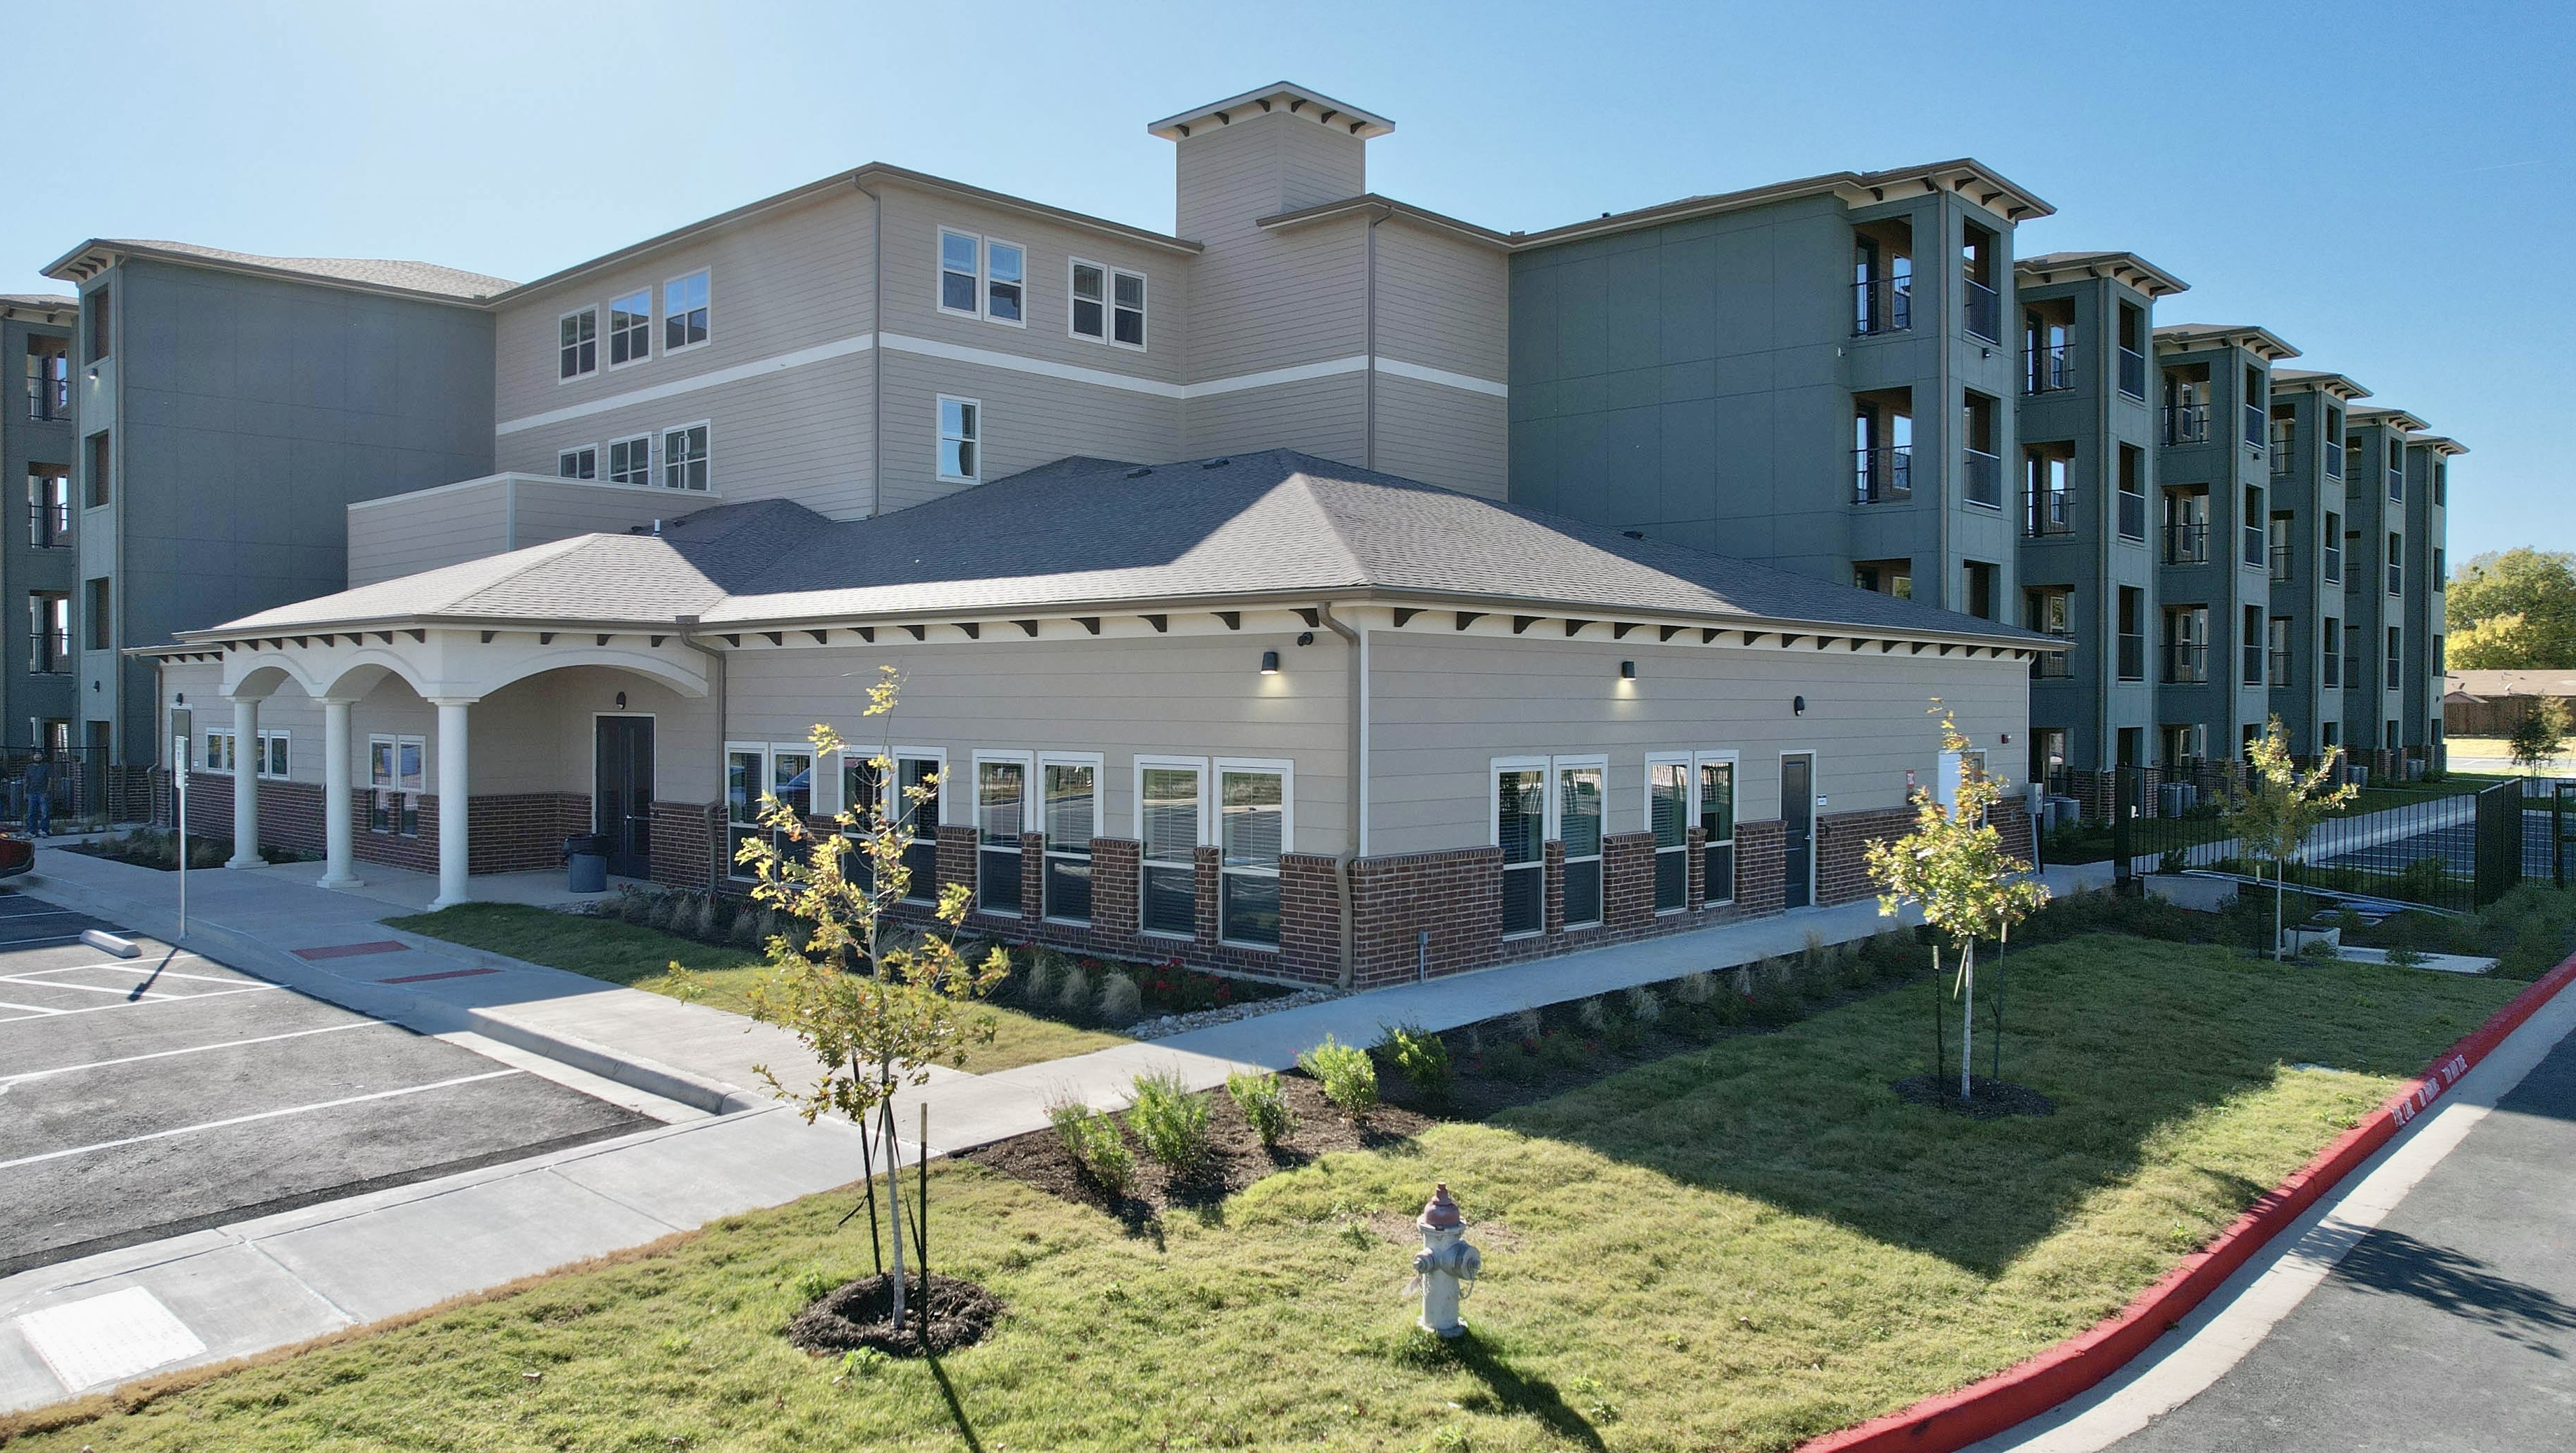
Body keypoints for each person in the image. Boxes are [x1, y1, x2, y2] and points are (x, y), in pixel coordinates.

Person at [24, 752, 52, 838]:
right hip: (31, 792)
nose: (37, 757)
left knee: (45, 812)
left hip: (43, 792)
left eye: (39, 756)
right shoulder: (29, 767)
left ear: (42, 757)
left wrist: (48, 790)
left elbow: (50, 779)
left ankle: (44, 830)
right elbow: (27, 780)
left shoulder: (46, 766)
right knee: (31, 812)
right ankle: (32, 831)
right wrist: (25, 792)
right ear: (32, 757)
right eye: (36, 756)